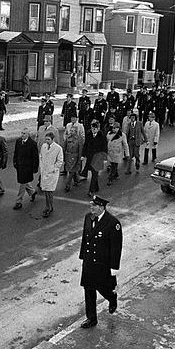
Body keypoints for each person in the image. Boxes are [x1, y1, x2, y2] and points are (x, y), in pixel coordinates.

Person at [78, 195, 122, 329]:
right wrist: (82, 256)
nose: (91, 207)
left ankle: (112, 298)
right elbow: (85, 238)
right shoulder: (88, 217)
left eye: (94, 206)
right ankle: (91, 319)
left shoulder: (113, 223)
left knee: (103, 288)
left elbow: (116, 247)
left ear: (101, 207)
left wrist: (114, 267)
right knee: (89, 289)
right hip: (89, 261)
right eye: (91, 205)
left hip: (103, 263)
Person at [12, 128, 39, 210]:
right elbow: (15, 153)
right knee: (24, 181)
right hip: (20, 166)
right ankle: (32, 192)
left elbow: (35, 157)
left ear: (28, 134)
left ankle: (18, 201)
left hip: (27, 167)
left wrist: (35, 168)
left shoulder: (32, 144)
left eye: (24, 133)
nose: (22, 135)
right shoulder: (18, 141)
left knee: (22, 183)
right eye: (22, 133)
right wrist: (15, 162)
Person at [38, 132, 63, 218]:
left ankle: (48, 207)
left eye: (48, 139)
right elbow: (41, 156)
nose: (47, 141)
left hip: (52, 173)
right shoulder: (43, 146)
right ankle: (49, 206)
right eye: (46, 139)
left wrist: (53, 169)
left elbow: (60, 161)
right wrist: (41, 167)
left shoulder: (58, 148)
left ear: (53, 139)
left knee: (50, 191)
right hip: (44, 171)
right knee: (45, 190)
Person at [81, 120, 107, 195]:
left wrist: (104, 157)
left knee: (94, 173)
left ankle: (91, 190)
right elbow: (85, 145)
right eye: (92, 128)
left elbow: (104, 147)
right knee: (93, 173)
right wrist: (83, 155)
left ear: (98, 129)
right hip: (90, 157)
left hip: (98, 158)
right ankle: (96, 187)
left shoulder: (102, 136)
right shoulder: (89, 135)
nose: (93, 130)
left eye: (95, 129)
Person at [62, 118, 84, 193]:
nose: (70, 132)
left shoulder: (79, 139)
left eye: (72, 131)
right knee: (72, 170)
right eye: (70, 131)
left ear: (76, 131)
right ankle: (76, 180)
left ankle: (67, 185)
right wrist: (64, 158)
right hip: (68, 155)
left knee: (71, 171)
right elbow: (64, 147)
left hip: (75, 156)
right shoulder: (67, 138)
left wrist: (79, 160)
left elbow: (80, 150)